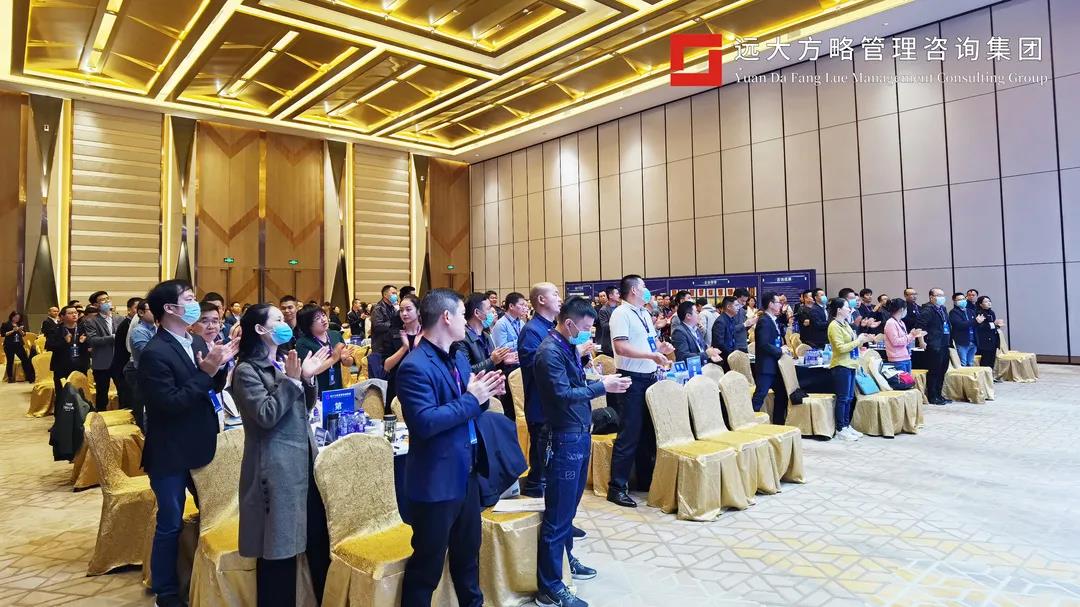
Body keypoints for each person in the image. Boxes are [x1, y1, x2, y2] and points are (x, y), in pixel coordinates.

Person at [397, 289, 504, 607]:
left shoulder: (458, 357)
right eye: (461, 314)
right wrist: (473, 398)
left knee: (468, 557)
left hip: (466, 471)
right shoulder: (415, 366)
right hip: (436, 481)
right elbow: (425, 422)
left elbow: (471, 407)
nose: (466, 321)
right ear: (446, 317)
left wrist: (483, 394)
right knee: (426, 568)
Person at [138, 280, 237, 607]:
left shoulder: (194, 339)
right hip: (169, 451)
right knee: (170, 523)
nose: (196, 304)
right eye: (190, 299)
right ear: (170, 308)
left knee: (215, 512)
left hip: (199, 443)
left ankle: (205, 580)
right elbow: (170, 403)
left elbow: (210, 387)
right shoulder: (155, 352)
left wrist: (218, 366)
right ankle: (166, 593)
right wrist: (206, 371)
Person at [232, 303, 332, 606]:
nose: (285, 322)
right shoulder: (246, 371)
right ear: (260, 329)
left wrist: (307, 379)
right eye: (277, 319)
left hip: (302, 463)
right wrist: (291, 380)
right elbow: (266, 414)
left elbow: (302, 407)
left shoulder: (280, 361)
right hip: (275, 470)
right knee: (279, 551)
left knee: (316, 541)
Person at [533, 297, 631, 607]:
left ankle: (565, 561)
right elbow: (562, 395)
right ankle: (549, 587)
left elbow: (574, 383)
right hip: (562, 437)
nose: (589, 333)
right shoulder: (549, 352)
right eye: (586, 328)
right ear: (569, 323)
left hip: (577, 433)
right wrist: (603, 387)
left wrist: (592, 373)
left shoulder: (565, 346)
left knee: (569, 510)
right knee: (557, 515)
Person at [607, 275, 674, 508]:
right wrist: (650, 355)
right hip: (630, 379)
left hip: (649, 377)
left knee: (647, 433)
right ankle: (617, 487)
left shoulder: (644, 313)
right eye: (643, 286)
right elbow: (621, 347)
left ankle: (644, 480)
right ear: (634, 290)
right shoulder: (620, 313)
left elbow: (650, 344)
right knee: (629, 433)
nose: (647, 291)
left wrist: (660, 349)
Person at [518, 283, 562, 498]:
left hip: (554, 402)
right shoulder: (531, 330)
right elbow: (538, 366)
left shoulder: (552, 328)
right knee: (541, 465)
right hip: (540, 404)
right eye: (555, 294)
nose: (560, 298)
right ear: (542, 300)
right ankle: (535, 498)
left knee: (551, 464)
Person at [826, 297, 872, 441]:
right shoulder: (834, 326)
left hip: (851, 363)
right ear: (839, 310)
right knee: (843, 398)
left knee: (850, 398)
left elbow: (853, 342)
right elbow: (840, 348)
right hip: (841, 365)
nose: (849, 309)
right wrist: (858, 341)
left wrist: (861, 339)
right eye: (846, 307)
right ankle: (840, 428)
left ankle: (846, 425)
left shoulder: (845, 324)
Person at [295, 305, 354, 394]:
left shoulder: (335, 335)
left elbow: (349, 363)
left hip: (337, 387)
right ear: (308, 324)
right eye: (317, 318)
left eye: (323, 315)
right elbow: (308, 372)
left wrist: (345, 359)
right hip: (316, 391)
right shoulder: (302, 343)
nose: (323, 319)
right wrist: (334, 358)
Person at [752, 292, 790, 424]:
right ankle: (749, 421)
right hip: (766, 366)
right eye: (778, 302)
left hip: (775, 365)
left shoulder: (773, 319)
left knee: (782, 394)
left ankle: (778, 422)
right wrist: (779, 350)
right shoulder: (764, 321)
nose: (780, 305)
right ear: (770, 304)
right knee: (760, 395)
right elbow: (763, 344)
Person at [82, 291, 123, 411]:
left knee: (124, 392)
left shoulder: (119, 318)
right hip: (102, 363)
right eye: (103, 300)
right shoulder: (91, 321)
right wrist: (113, 338)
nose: (107, 301)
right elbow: (93, 340)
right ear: (95, 305)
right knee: (102, 394)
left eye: (107, 298)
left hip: (119, 362)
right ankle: (101, 417)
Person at [459, 293, 516, 376]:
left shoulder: (486, 335)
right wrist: (492, 361)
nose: (492, 313)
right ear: (477, 313)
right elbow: (466, 371)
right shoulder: (462, 338)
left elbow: (492, 365)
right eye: (489, 309)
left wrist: (502, 360)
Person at [383, 294, 422, 406]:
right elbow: (386, 366)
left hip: (422, 384)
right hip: (398, 385)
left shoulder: (427, 334)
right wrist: (404, 348)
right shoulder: (393, 334)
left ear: (418, 311)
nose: (404, 313)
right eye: (401, 310)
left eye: (408, 309)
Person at [123, 299, 156, 429]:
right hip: (140, 374)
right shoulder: (139, 331)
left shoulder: (155, 328)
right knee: (142, 411)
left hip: (150, 374)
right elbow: (150, 354)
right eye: (151, 309)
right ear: (141, 313)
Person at [46, 305, 89, 400]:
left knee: (81, 393)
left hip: (80, 365)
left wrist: (83, 343)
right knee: (62, 394)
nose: (74, 315)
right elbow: (49, 346)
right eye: (70, 313)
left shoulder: (83, 329)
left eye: (75, 313)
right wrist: (64, 342)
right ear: (62, 316)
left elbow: (89, 348)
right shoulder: (56, 330)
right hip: (62, 366)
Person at [918, 288, 952, 405]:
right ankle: (932, 396)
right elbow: (920, 327)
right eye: (939, 295)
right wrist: (922, 341)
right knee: (934, 371)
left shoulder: (943, 308)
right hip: (934, 344)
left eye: (943, 295)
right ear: (931, 297)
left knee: (942, 370)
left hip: (944, 343)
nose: (942, 297)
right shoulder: (927, 310)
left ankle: (939, 394)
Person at [671, 301, 723, 366]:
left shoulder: (696, 329)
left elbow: (703, 347)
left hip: (703, 365)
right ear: (688, 316)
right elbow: (683, 356)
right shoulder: (679, 332)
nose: (699, 314)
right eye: (696, 312)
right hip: (692, 368)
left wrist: (712, 352)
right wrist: (706, 354)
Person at [111, 297, 140, 411]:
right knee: (127, 401)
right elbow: (128, 349)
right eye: (136, 308)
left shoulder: (132, 323)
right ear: (129, 309)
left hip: (125, 366)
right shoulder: (127, 325)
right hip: (122, 367)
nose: (139, 311)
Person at [883, 298, 925, 373]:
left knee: (908, 379)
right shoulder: (890, 323)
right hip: (897, 359)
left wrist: (913, 335)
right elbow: (896, 342)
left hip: (906, 357)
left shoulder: (901, 322)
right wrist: (911, 335)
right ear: (902, 309)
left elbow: (905, 340)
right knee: (902, 380)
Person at [369, 285, 401, 379]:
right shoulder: (378, 308)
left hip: (390, 346)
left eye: (396, 293)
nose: (395, 295)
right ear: (385, 295)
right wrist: (393, 324)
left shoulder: (393, 308)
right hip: (380, 347)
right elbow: (378, 326)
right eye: (393, 293)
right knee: (381, 376)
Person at [974, 296, 1004, 373]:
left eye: (989, 301)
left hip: (993, 339)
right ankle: (985, 375)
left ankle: (990, 375)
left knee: (992, 359)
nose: (989, 303)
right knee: (986, 359)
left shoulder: (991, 312)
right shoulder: (979, 313)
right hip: (984, 340)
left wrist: (997, 325)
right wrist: (994, 324)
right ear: (981, 304)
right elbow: (981, 326)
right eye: (986, 302)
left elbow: (992, 325)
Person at [2, 312, 34, 383]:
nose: (17, 319)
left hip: (19, 345)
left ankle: (29, 376)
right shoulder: (6, 324)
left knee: (25, 360)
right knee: (10, 361)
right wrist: (13, 330)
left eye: (18, 318)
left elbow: (23, 334)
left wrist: (19, 330)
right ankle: (10, 378)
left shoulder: (20, 324)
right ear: (12, 316)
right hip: (9, 345)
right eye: (15, 317)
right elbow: (3, 334)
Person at [950, 292, 977, 367]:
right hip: (962, 342)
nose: (962, 301)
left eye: (963, 299)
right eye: (959, 300)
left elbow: (976, 324)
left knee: (970, 363)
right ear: (954, 302)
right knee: (963, 363)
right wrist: (975, 321)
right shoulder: (953, 312)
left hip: (973, 341)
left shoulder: (970, 311)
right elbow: (959, 325)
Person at [712, 296, 738, 370]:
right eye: (736, 305)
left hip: (731, 357)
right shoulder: (720, 321)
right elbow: (719, 343)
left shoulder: (732, 319)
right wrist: (731, 354)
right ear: (728, 307)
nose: (738, 308)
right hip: (723, 359)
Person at [595, 287, 620, 357]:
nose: (619, 295)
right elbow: (604, 326)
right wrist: (618, 323)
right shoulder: (603, 310)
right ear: (610, 296)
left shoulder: (619, 308)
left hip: (619, 342)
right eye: (617, 293)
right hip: (609, 345)